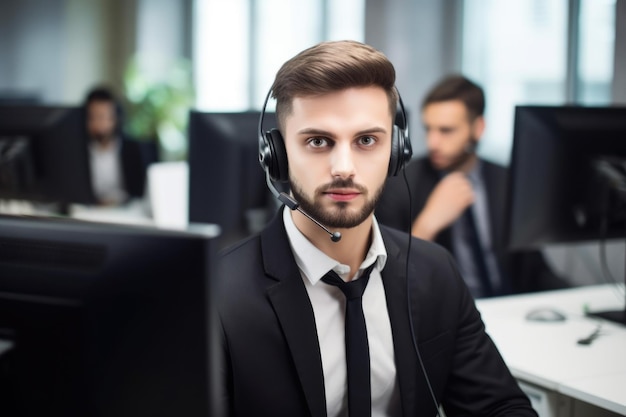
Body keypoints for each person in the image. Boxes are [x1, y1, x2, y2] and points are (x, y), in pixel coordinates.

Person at [216, 41, 537, 416]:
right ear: (278, 155)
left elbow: (500, 407)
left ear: (396, 151)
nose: (344, 167)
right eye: (318, 141)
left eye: (366, 140)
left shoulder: (435, 272)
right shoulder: (217, 297)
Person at [375, 75, 566, 299]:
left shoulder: (507, 181)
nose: (433, 142)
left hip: (508, 306)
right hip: (442, 314)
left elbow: (533, 267)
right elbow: (388, 275)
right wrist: (428, 223)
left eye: (446, 131)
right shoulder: (399, 184)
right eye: (429, 129)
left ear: (478, 128)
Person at [83, 86, 154, 205]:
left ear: (114, 118)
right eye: (92, 117)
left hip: (126, 210)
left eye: (102, 117)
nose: (98, 124)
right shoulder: (79, 153)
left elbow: (141, 192)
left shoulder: (132, 150)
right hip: (90, 209)